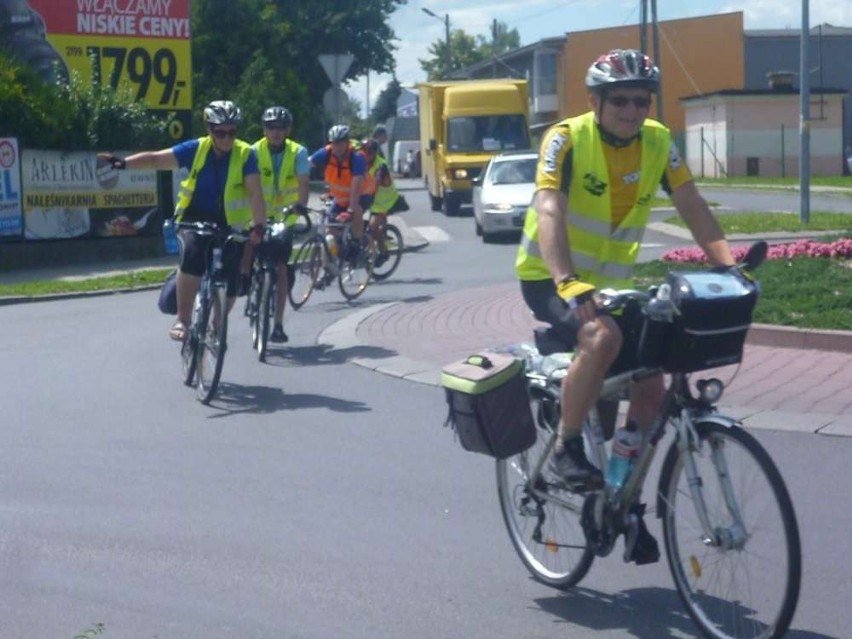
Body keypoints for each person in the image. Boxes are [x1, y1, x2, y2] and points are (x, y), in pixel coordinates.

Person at [514, 49, 738, 562]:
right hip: (548, 277)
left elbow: (691, 203)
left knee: (652, 385)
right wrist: (566, 280)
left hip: (611, 284)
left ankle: (621, 497)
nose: (633, 110)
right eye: (621, 101)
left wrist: (728, 266)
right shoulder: (566, 138)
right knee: (603, 338)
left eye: (642, 100)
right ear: (595, 100)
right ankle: (568, 447)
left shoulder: (658, 140)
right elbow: (549, 206)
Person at [99, 100, 266, 341]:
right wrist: (123, 164)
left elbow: (255, 193)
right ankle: (183, 319)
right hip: (195, 217)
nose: (227, 138)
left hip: (231, 224)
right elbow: (156, 160)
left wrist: (258, 226)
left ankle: (219, 321)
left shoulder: (246, 154)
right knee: (192, 255)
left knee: (232, 280)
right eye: (220, 132)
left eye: (232, 132)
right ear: (209, 130)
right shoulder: (196, 149)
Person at [251, 105, 310, 343]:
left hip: (285, 218)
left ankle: (277, 324)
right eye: (270, 127)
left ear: (288, 129)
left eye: (280, 128)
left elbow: (303, 183)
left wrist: (301, 205)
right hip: (258, 215)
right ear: (264, 129)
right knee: (247, 248)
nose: (275, 132)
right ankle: (247, 280)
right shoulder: (253, 151)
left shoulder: (298, 152)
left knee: (281, 267)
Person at [308, 124, 366, 259]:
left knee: (356, 211)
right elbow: (306, 165)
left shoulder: (356, 159)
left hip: (361, 195)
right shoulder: (326, 153)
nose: (336, 147)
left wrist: (350, 210)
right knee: (330, 232)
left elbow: (356, 187)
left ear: (347, 143)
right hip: (340, 199)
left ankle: (357, 244)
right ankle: (332, 264)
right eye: (334, 143)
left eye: (340, 143)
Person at [359, 138, 399, 267]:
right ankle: (363, 243)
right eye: (364, 151)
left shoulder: (380, 166)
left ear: (375, 153)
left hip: (384, 200)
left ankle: (383, 252)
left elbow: (374, 185)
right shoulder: (360, 162)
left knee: (373, 226)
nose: (367, 155)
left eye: (370, 152)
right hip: (371, 198)